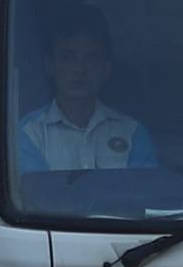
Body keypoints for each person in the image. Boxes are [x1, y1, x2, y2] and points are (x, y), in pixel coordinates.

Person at [14, 16, 156, 174]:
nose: (79, 69)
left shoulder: (133, 134)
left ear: (106, 70)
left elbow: (143, 195)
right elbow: (35, 197)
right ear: (50, 66)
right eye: (68, 57)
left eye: (91, 58)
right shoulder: (29, 135)